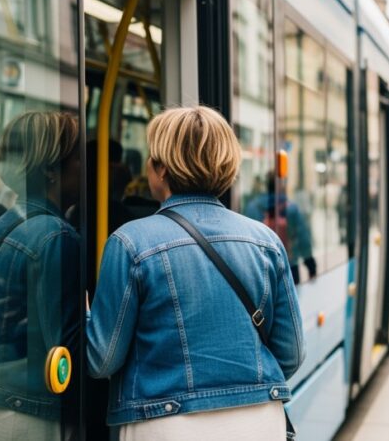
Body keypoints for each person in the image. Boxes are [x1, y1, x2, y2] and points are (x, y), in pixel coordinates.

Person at [86, 106, 305, 440]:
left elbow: (102, 360)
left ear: (160, 169)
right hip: (260, 421)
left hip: (165, 423)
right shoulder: (266, 242)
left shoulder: (130, 242)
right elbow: (291, 354)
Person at [0, 111, 81, 438]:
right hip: (30, 414)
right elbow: (66, 351)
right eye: (78, 158)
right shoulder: (56, 236)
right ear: (50, 170)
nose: (86, 167)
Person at [243, 171, 317, 284]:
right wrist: (311, 265)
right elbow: (303, 238)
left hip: (259, 268)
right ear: (281, 185)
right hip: (289, 266)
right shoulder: (291, 208)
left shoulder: (252, 207)